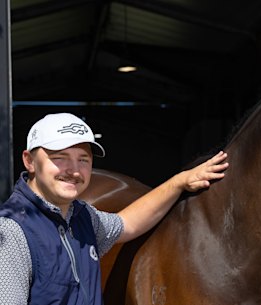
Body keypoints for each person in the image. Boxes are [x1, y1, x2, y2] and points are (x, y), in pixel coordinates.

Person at [0, 112, 229, 304]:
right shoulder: (12, 231)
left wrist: (179, 182)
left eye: (83, 159)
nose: (74, 170)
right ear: (29, 161)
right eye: (60, 158)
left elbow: (127, 224)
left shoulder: (82, 217)